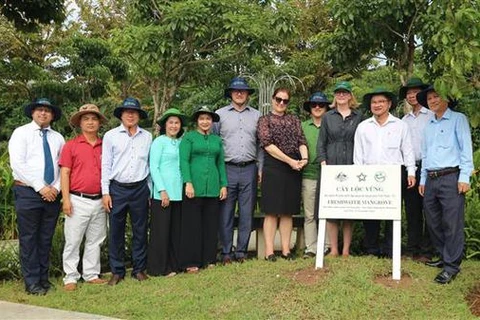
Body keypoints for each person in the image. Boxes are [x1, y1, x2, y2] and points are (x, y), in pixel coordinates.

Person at [8, 98, 65, 295]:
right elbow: (18, 164)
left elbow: (62, 166)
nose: (43, 113)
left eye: (47, 111)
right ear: (33, 113)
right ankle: (31, 282)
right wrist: (42, 187)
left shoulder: (58, 137)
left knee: (46, 238)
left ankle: (43, 278)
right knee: (29, 238)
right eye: (39, 110)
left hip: (53, 195)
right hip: (28, 192)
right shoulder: (21, 133)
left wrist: (56, 189)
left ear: (52, 115)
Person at [417, 85, 473, 284]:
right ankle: (443, 256)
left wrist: (464, 177)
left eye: (436, 96)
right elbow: (425, 154)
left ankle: (451, 266)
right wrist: (422, 179)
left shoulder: (458, 119)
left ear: (447, 99)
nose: (432, 100)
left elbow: (466, 149)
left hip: (451, 176)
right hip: (431, 178)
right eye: (430, 98)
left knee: (452, 222)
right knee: (433, 221)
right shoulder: (428, 125)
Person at [353, 88, 415, 258]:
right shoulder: (363, 127)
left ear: (389, 104)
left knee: (393, 212)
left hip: (395, 174)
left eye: (381, 102)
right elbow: (358, 155)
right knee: (370, 212)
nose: (377, 105)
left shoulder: (401, 125)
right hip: (369, 175)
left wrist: (411, 172)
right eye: (374, 102)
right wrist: (359, 176)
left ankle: (390, 250)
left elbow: (407, 150)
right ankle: (371, 249)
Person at [101, 97, 152, 285]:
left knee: (140, 230)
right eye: (127, 112)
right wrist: (105, 192)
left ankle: (139, 269)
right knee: (116, 231)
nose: (130, 115)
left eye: (134, 112)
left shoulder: (147, 136)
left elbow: (149, 165)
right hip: (117, 189)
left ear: (138, 115)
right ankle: (117, 271)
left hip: (140, 188)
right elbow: (105, 164)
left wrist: (150, 191)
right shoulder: (111, 136)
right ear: (121, 115)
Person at [59, 104, 108, 291]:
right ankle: (70, 277)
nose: (90, 122)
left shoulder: (106, 145)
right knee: (73, 239)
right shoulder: (71, 145)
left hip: (100, 199)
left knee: (96, 239)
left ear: (99, 122)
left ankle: (91, 274)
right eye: (86, 119)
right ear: (80, 122)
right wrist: (66, 199)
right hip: (77, 199)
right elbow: (65, 173)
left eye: (94, 119)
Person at [257, 88, 308, 261]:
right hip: (274, 166)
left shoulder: (294, 119)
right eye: (278, 99)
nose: (281, 103)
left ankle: (286, 250)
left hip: (293, 168)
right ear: (272, 99)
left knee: (288, 211)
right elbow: (268, 145)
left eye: (285, 101)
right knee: (271, 211)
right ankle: (269, 251)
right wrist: (290, 161)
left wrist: (304, 158)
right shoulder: (264, 120)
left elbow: (301, 140)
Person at [214, 77, 261, 264]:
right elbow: (215, 143)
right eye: (236, 91)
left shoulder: (257, 115)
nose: (239, 93)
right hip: (227, 168)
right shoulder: (219, 115)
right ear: (231, 94)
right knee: (225, 211)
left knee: (246, 212)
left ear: (248, 94)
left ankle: (241, 251)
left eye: (243, 91)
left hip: (249, 167)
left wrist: (261, 168)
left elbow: (260, 144)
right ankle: (226, 251)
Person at [179, 106, 227, 273]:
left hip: (213, 187)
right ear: (197, 121)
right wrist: (188, 182)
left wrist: (223, 184)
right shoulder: (189, 138)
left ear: (212, 121)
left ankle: (209, 259)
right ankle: (191, 261)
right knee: (192, 226)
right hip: (194, 187)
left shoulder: (217, 140)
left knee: (210, 225)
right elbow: (184, 161)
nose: (205, 122)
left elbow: (220, 163)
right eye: (202, 119)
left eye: (208, 119)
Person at [318, 82, 363, 257]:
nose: (341, 95)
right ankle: (334, 249)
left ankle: (346, 250)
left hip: (352, 164)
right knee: (331, 208)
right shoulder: (328, 116)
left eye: (345, 92)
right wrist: (323, 162)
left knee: (348, 209)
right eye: (338, 92)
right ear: (334, 96)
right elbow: (321, 142)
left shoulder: (359, 116)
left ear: (351, 96)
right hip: (331, 164)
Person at [147, 108, 187, 277]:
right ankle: (158, 268)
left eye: (177, 122)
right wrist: (162, 190)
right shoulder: (159, 142)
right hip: (163, 194)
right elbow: (154, 167)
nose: (173, 125)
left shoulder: (181, 142)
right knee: (161, 232)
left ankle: (173, 265)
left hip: (179, 193)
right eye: (170, 122)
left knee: (174, 232)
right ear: (164, 125)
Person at [399, 78, 433, 261]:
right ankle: (413, 248)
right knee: (411, 210)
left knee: (429, 209)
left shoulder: (432, 115)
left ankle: (427, 251)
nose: (412, 96)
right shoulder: (404, 120)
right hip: (410, 169)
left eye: (415, 92)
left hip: (428, 167)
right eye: (408, 93)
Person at [300, 92, 330, 258]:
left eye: (321, 105)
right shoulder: (303, 126)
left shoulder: (331, 124)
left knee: (326, 211)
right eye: (314, 105)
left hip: (329, 174)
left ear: (326, 107)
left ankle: (326, 245)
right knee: (310, 213)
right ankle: (311, 247)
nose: (317, 107)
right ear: (310, 108)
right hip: (309, 174)